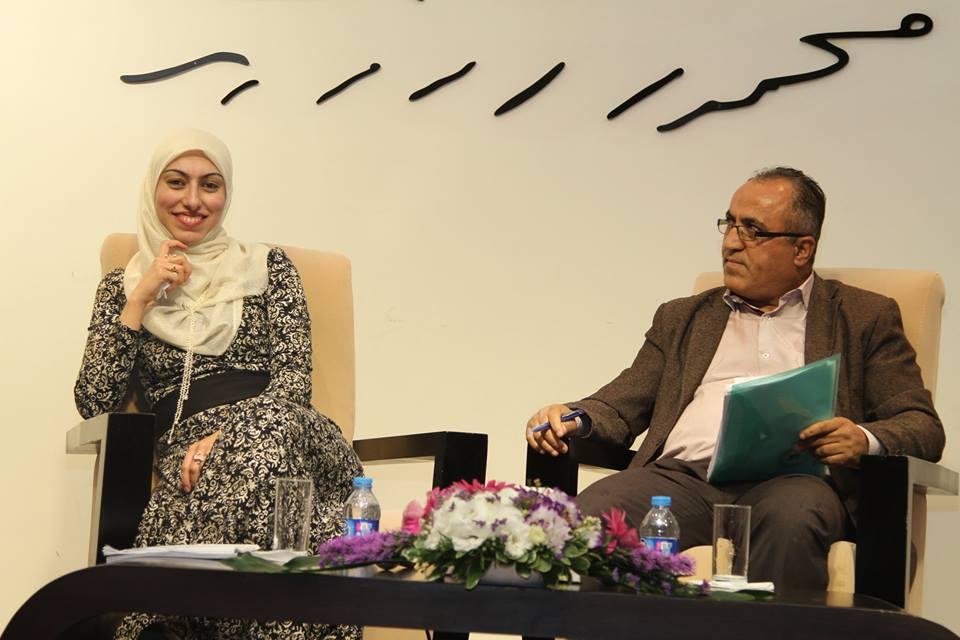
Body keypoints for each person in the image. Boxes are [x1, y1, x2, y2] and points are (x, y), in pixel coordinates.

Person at [525, 167, 944, 590]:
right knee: (597, 508)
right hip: (683, 481)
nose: (731, 243)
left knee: (794, 516)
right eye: (730, 224)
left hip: (792, 485)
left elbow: (921, 425)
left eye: (753, 231)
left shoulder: (863, 316)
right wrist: (573, 417)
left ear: (802, 249)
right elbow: (621, 403)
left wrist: (863, 440)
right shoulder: (683, 317)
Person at [74, 129, 362, 639]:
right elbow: (94, 400)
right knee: (277, 511)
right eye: (176, 182)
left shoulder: (269, 267)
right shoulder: (124, 287)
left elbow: (294, 377)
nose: (192, 200)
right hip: (196, 459)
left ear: (226, 193)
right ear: (152, 187)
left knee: (268, 428)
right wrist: (139, 301)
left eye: (210, 185)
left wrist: (229, 439)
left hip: (291, 433)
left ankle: (179, 617)